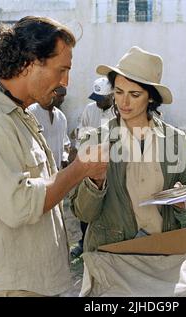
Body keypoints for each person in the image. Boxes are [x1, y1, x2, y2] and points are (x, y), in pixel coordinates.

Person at [0, 16, 107, 297]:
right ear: (30, 62)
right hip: (13, 287)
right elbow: (19, 206)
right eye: (61, 70)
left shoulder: (17, 116)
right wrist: (80, 168)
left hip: (36, 283)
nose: (65, 82)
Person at [70, 46, 186, 252]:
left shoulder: (174, 140)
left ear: (150, 97)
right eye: (119, 92)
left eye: (135, 94)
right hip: (111, 254)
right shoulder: (96, 139)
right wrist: (95, 183)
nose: (124, 101)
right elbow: (83, 214)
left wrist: (182, 198)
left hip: (161, 250)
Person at [70, 77, 115, 258]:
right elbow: (81, 133)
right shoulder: (90, 110)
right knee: (86, 207)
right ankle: (84, 241)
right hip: (89, 164)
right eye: (95, 98)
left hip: (111, 167)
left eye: (101, 98)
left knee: (107, 207)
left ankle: (105, 244)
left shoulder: (119, 112)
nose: (97, 102)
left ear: (111, 96)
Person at [29, 86, 70, 169]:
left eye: (63, 96)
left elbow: (65, 143)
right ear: (49, 93)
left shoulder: (61, 117)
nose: (62, 100)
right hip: (38, 170)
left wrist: (64, 158)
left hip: (57, 170)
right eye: (59, 96)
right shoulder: (31, 113)